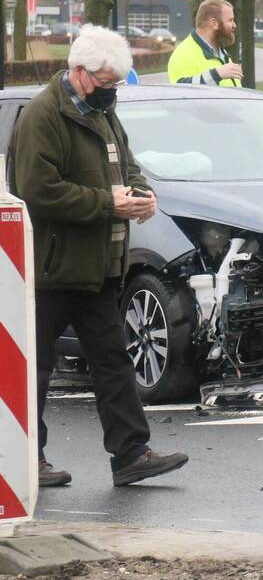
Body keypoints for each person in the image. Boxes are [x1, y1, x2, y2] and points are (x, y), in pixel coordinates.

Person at [8, 25, 189, 487]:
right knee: (35, 369)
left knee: (112, 361)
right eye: (107, 83)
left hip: (100, 266)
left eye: (116, 84)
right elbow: (36, 190)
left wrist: (142, 195)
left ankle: (131, 455)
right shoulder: (43, 116)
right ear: (80, 72)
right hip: (51, 268)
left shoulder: (103, 113)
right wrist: (108, 204)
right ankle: (26, 461)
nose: (112, 92)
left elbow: (126, 164)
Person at [167, 0, 243, 87]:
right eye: (230, 20)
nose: (234, 25)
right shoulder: (183, 54)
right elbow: (181, 90)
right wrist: (216, 74)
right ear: (214, 23)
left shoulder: (220, 52)